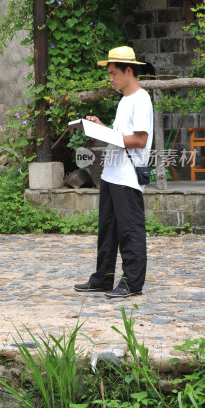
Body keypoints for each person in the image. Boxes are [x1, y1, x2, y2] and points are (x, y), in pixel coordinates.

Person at [74, 46, 153, 299]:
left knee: (130, 231)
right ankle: (103, 279)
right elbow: (121, 136)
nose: (110, 78)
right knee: (107, 231)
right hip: (111, 175)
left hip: (128, 177)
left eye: (113, 73)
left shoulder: (141, 99)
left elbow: (140, 140)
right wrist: (101, 128)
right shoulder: (125, 100)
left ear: (128, 71)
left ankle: (132, 283)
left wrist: (111, 135)